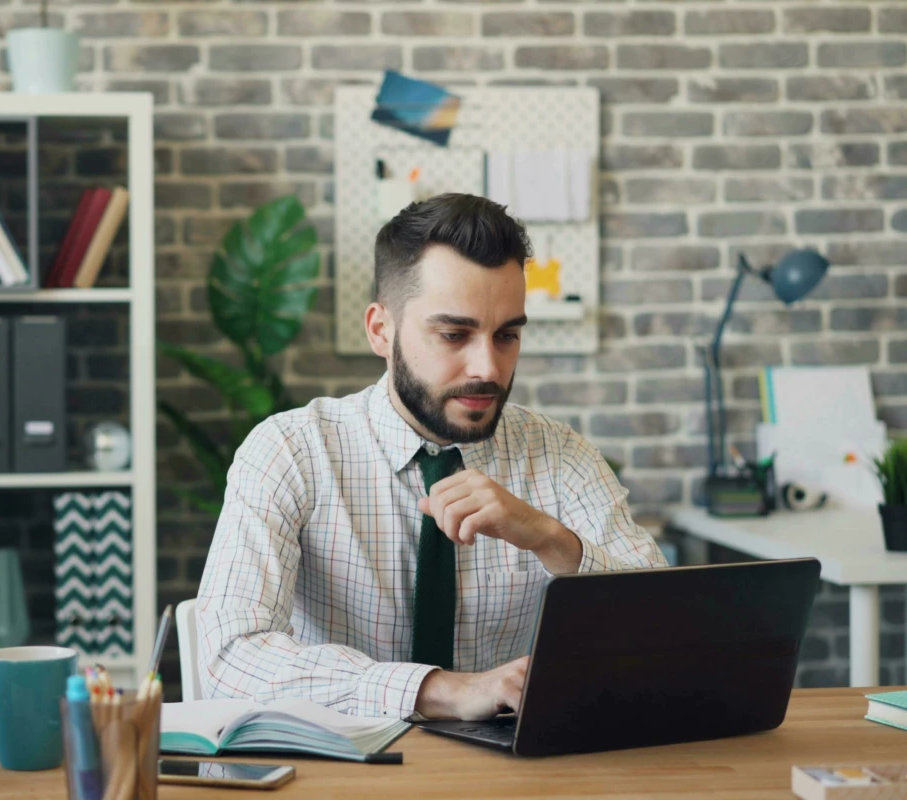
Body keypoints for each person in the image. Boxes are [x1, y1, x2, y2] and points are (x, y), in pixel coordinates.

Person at [195, 193, 667, 721]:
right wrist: (440, 690)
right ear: (381, 330)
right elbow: (231, 659)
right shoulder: (293, 451)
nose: (487, 366)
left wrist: (551, 540)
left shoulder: (561, 456)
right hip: (340, 771)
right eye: (454, 334)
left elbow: (662, 633)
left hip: (514, 777)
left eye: (507, 334)